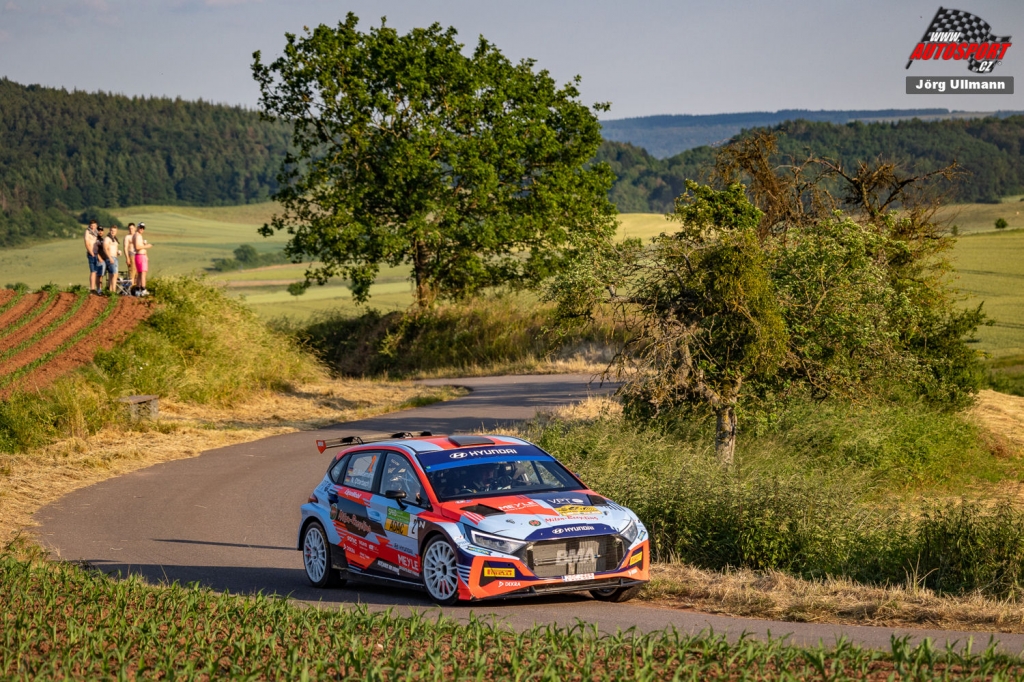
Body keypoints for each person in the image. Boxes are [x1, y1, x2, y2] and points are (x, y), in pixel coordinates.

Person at [132, 222, 152, 296]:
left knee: (140, 273)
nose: (142, 229)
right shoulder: (138, 236)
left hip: (139, 256)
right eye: (140, 227)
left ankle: (138, 289)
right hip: (140, 256)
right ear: (137, 227)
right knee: (143, 273)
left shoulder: (136, 235)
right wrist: (147, 246)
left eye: (143, 228)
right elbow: (137, 247)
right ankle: (143, 289)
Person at [84, 219, 101, 294]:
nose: (93, 227)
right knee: (93, 271)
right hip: (92, 253)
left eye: (94, 225)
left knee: (97, 272)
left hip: (97, 253)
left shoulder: (97, 232)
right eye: (91, 225)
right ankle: (92, 289)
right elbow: (87, 243)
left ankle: (98, 289)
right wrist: (91, 253)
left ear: (96, 225)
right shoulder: (87, 232)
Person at [104, 225, 120, 294]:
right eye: (111, 230)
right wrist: (110, 258)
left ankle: (110, 291)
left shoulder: (115, 239)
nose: (113, 232)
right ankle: (113, 291)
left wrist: (118, 252)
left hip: (115, 258)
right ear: (109, 230)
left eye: (114, 231)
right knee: (114, 274)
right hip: (110, 257)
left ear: (116, 231)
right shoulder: (107, 239)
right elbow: (105, 249)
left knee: (112, 275)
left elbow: (114, 249)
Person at [94, 225, 109, 294]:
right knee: (99, 275)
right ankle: (98, 289)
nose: (100, 232)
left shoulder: (102, 239)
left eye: (101, 230)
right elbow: (95, 250)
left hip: (104, 259)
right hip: (100, 259)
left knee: (102, 275)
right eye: (99, 230)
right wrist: (99, 257)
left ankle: (100, 289)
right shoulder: (96, 239)